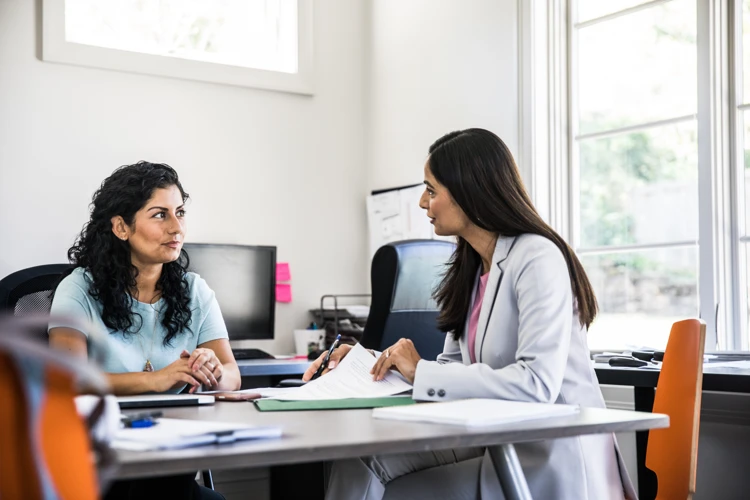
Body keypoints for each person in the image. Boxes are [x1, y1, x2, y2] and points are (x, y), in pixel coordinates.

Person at [304, 129, 636, 500]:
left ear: (468, 193)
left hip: (549, 454)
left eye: (431, 190)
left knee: (401, 492)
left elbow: (536, 385)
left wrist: (421, 370)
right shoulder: (472, 266)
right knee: (357, 457)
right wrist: (365, 364)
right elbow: (450, 371)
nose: (421, 202)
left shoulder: (537, 258)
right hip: (493, 437)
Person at [49, 161, 240, 500]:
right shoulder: (78, 288)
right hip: (99, 470)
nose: (176, 227)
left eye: (180, 212)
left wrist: (211, 370)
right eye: (159, 215)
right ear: (121, 227)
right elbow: (69, 380)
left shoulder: (195, 290)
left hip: (173, 462)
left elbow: (231, 375)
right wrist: (158, 379)